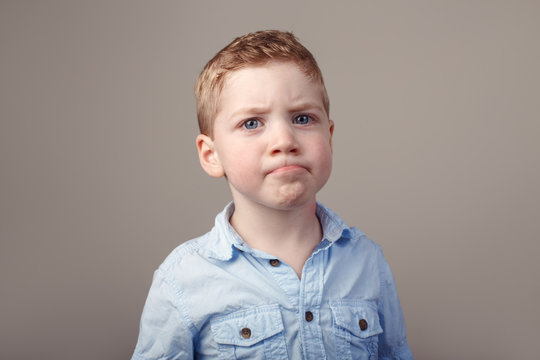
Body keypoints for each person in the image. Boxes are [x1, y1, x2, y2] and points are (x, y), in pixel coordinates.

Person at [131, 30, 413, 360]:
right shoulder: (183, 279)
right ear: (211, 155)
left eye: (303, 118)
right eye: (252, 123)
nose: (284, 139)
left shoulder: (367, 262)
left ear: (330, 136)